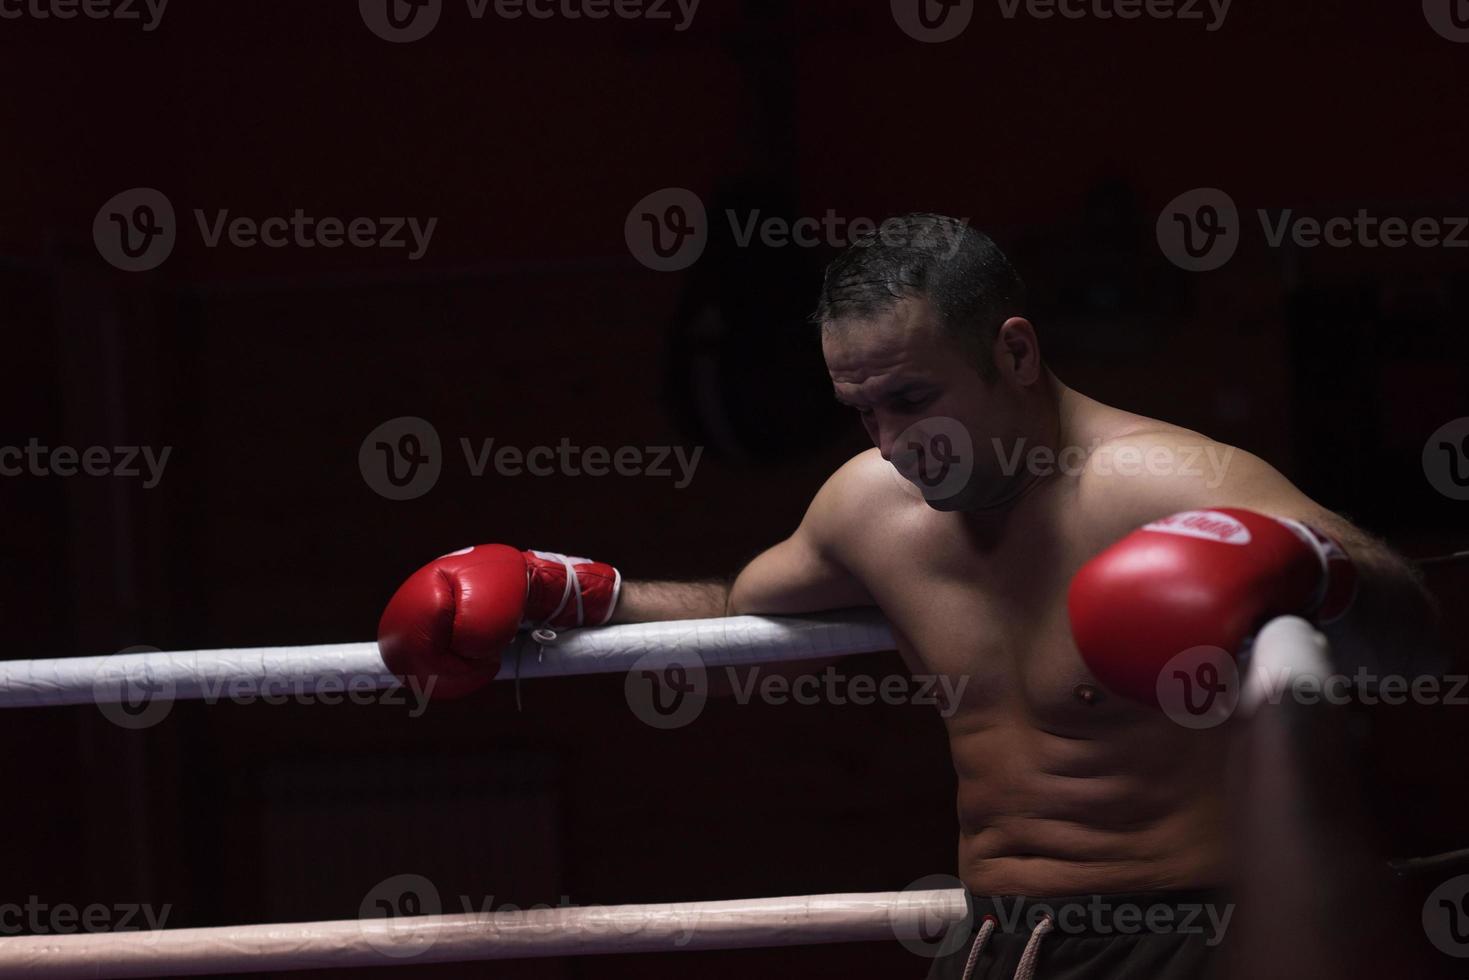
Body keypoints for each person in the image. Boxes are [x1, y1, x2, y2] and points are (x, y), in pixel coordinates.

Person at [377, 213, 1438, 978]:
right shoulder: (871, 507)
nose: (893, 442)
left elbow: (1420, 647)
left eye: (913, 397)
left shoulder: (1175, 487)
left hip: (1187, 940)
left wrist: (1314, 567)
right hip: (993, 941)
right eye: (862, 408)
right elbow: (745, 609)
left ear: (1013, 351)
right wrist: (567, 589)